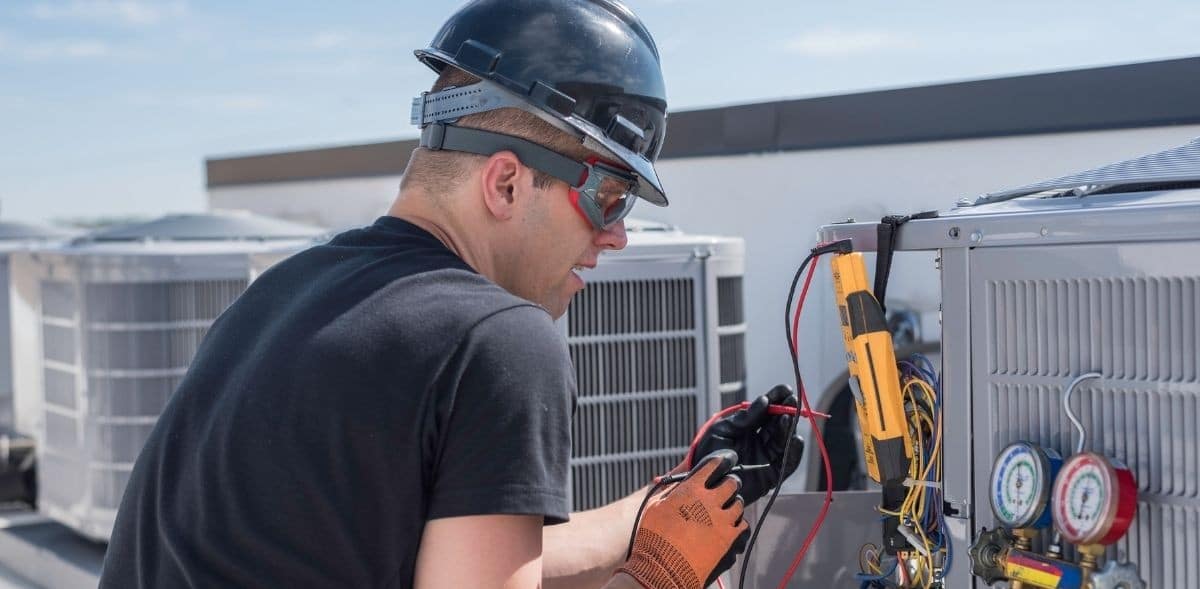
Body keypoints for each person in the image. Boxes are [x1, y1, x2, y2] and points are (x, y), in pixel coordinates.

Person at [99, 1, 802, 587]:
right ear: (504, 183)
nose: (616, 236)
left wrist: (670, 499)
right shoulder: (497, 340)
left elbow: (480, 559)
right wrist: (661, 573)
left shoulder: (283, 294)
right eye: (609, 196)